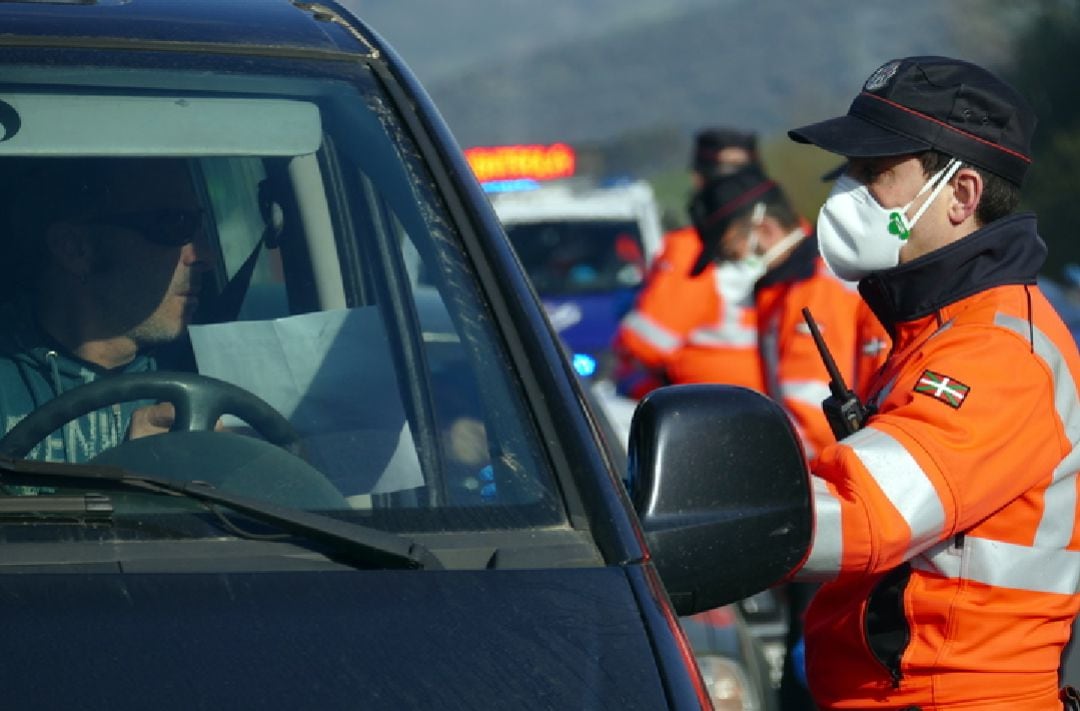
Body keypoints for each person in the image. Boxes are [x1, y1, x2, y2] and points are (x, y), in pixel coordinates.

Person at [786, 55, 1080, 709]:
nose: (845, 195)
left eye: (873, 174)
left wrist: (708, 524)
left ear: (962, 195)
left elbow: (862, 515)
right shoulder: (937, 329)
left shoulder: (999, 351)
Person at [0, 157, 212, 462]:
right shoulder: (8, 381)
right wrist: (132, 484)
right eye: (175, 225)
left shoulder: (205, 373)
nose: (206, 256)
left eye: (199, 225)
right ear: (75, 249)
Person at [613, 127, 765, 399]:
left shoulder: (692, 248)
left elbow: (647, 342)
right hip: (791, 408)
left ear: (698, 180)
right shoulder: (795, 236)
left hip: (714, 408)